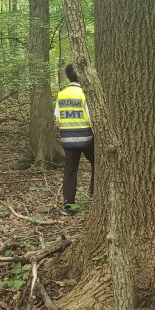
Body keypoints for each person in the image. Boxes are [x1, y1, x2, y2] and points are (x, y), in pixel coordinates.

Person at [54, 64, 94, 215]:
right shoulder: (85, 93)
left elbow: (57, 120)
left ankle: (68, 207)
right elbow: (91, 118)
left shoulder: (61, 95)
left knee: (70, 171)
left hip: (68, 140)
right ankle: (93, 193)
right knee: (98, 163)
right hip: (87, 138)